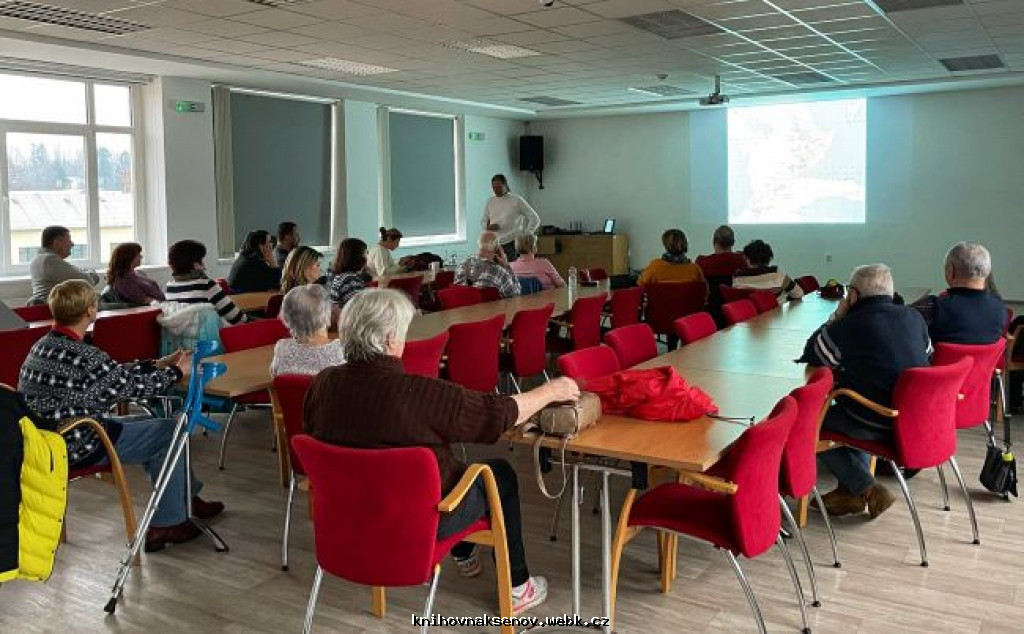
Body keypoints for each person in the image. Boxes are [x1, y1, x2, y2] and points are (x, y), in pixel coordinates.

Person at [303, 289, 580, 615]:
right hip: (419, 519)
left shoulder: (322, 385)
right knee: (497, 474)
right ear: (391, 338)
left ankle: (465, 554)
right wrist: (551, 390)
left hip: (348, 515)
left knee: (450, 468)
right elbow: (497, 415)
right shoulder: (421, 395)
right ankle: (519, 588)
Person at [18, 280, 223, 552]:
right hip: (81, 444)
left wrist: (158, 364)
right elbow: (131, 389)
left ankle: (186, 498)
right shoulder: (86, 355)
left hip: (46, 442)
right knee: (172, 431)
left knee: (155, 424)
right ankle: (168, 523)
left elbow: (112, 375)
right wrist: (176, 372)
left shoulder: (40, 346)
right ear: (90, 310)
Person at [801, 264, 932, 519]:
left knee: (807, 421)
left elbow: (814, 354)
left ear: (853, 295)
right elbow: (927, 357)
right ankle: (849, 493)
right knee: (852, 400)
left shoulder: (851, 324)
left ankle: (867, 488)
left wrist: (837, 316)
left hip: (876, 419)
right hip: (913, 417)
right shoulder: (914, 317)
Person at [912, 241, 1005, 345]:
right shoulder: (1000, 308)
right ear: (987, 271)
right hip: (984, 357)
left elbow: (901, 322)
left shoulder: (932, 307)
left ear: (950, 271)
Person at [164, 239, 248, 325]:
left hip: (184, 333)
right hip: (214, 332)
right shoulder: (206, 285)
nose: (204, 264)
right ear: (196, 265)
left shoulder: (169, 287)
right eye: (201, 260)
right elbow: (236, 317)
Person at [271, 285, 344, 376]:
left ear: (287, 316)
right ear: (327, 312)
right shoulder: (340, 349)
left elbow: (275, 376)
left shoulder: (282, 348)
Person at [27, 225, 100, 306]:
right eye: (69, 240)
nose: (72, 244)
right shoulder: (50, 261)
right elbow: (87, 282)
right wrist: (93, 274)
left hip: (53, 308)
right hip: (59, 310)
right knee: (108, 305)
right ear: (57, 243)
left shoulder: (39, 259)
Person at [481, 174, 541, 262]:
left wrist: (526, 235)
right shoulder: (490, 201)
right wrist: (487, 227)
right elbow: (483, 220)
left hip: (513, 243)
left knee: (512, 269)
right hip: (494, 243)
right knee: (495, 269)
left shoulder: (516, 200)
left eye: (499, 187)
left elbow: (535, 218)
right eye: (494, 187)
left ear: (505, 185)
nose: (496, 190)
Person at [733, 239, 804, 301]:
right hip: (777, 311)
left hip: (750, 312)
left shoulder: (738, 276)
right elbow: (798, 293)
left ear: (747, 259)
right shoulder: (776, 273)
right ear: (769, 259)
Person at [456, 231, 521, 298]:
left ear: (479, 244)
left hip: (466, 304)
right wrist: (507, 266)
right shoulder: (499, 272)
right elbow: (516, 293)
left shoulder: (462, 265)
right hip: (491, 305)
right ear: (497, 249)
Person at [637, 229, 707, 287]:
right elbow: (704, 292)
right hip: (689, 300)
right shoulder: (695, 269)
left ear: (666, 245)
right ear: (685, 243)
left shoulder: (655, 266)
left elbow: (640, 284)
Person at [329, 238, 370, 309]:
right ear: (357, 257)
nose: (368, 257)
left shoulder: (342, 276)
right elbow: (359, 309)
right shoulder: (350, 280)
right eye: (366, 253)